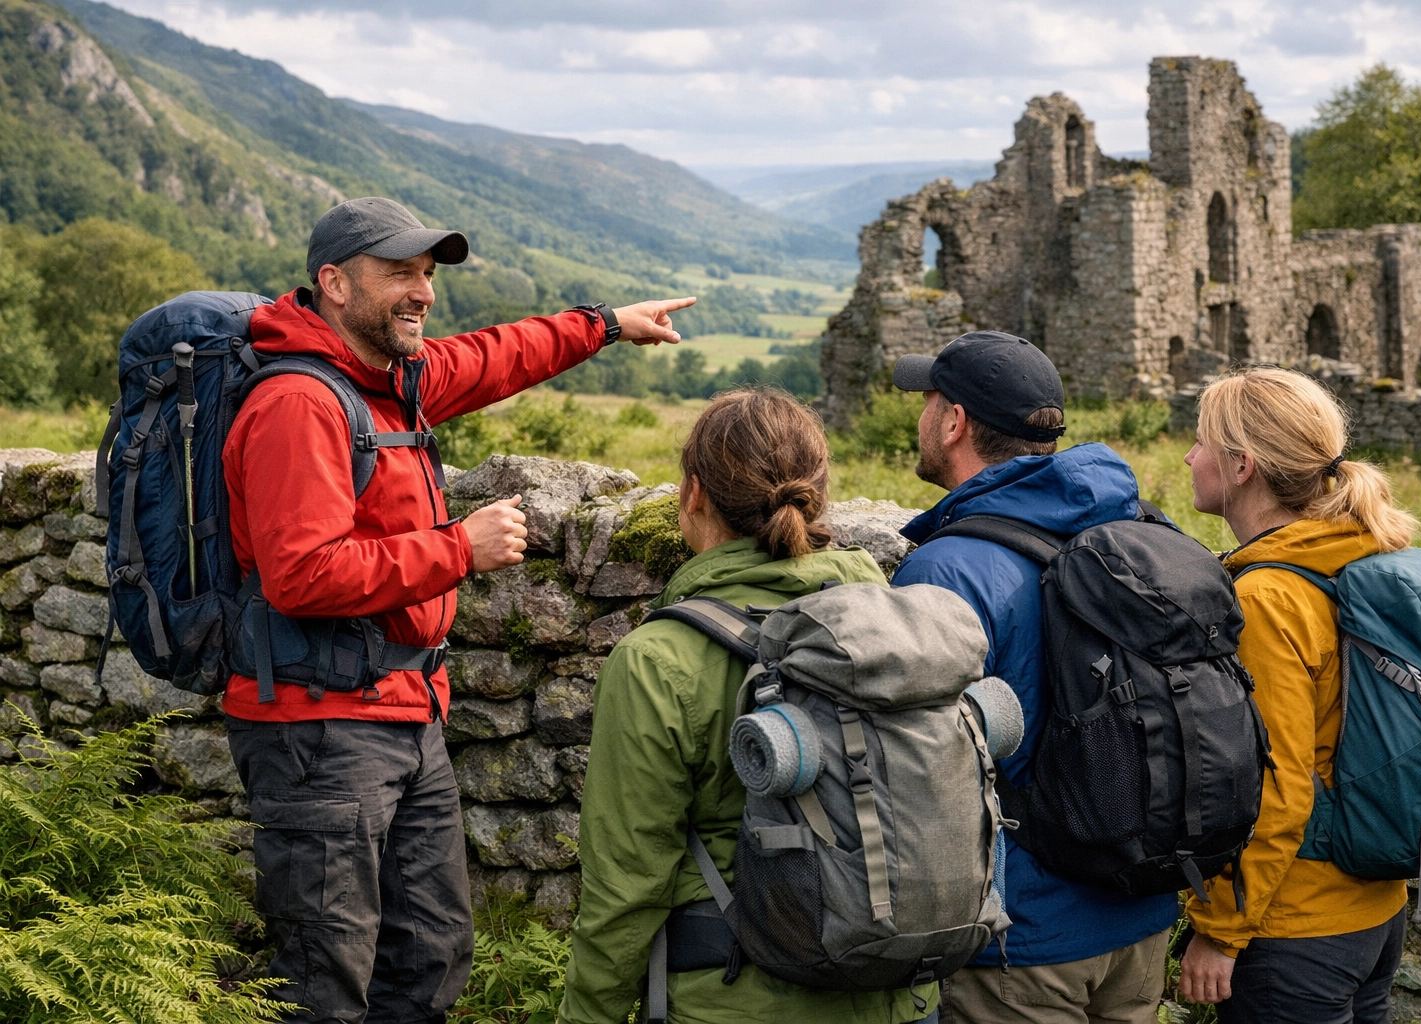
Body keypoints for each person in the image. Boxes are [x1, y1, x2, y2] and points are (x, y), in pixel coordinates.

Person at [222, 195, 693, 1024]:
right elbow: (300, 573)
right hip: (321, 728)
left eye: (429, 274)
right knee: (323, 979)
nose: (424, 292)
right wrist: (456, 549)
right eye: (400, 272)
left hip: (405, 716)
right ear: (333, 283)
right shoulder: (299, 404)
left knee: (431, 958)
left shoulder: (389, 382)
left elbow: (495, 356)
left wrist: (608, 324)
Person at [560, 388, 939, 1024]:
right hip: (898, 995)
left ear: (695, 495)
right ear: (819, 496)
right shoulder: (895, 625)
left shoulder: (658, 660)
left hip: (732, 999)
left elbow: (626, 886)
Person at [888, 332, 1178, 1024]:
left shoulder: (947, 569)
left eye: (929, 402)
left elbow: (917, 770)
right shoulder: (1136, 527)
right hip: (1140, 920)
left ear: (953, 422)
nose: (922, 418)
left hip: (1021, 944)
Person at [1176, 366, 1416, 1023]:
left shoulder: (1267, 597)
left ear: (1242, 466)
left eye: (1200, 442)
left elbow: (1277, 786)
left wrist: (1221, 932)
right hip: (1376, 906)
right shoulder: (1359, 554)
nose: (1190, 457)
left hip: (1298, 927)